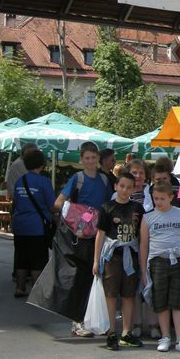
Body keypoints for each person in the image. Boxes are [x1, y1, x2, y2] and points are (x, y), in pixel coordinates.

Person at [54, 141, 112, 336]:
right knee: (79, 277)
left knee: (95, 276)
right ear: (81, 159)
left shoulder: (104, 179)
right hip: (80, 236)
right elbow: (59, 203)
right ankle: (77, 321)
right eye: (87, 158)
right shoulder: (77, 178)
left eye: (93, 157)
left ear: (98, 159)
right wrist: (80, 214)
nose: (90, 161)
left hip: (99, 234)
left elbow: (109, 202)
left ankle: (93, 319)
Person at [140, 182, 180, 354]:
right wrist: (143, 271)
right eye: (155, 198)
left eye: (162, 198)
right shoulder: (148, 217)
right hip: (158, 261)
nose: (158, 202)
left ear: (171, 197)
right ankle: (165, 336)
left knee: (179, 301)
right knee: (161, 301)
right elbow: (144, 245)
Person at [94, 172, 144, 351]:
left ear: (133, 189)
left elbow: (142, 234)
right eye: (122, 186)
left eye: (129, 187)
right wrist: (96, 260)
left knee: (129, 294)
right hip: (112, 256)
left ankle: (126, 332)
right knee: (111, 294)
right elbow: (100, 234)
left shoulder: (137, 208)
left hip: (131, 255)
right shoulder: (107, 207)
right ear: (115, 186)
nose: (124, 190)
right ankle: (111, 332)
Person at [11, 149, 55, 297]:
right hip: (37, 226)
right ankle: (38, 293)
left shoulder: (20, 181)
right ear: (42, 164)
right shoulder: (44, 182)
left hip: (20, 225)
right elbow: (52, 206)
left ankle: (20, 288)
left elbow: (15, 202)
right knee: (38, 259)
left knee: (21, 258)